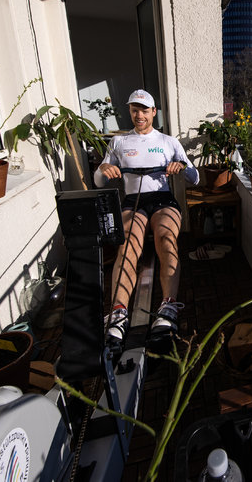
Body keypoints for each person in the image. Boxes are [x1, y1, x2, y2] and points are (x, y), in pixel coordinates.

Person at [93, 89, 199, 347]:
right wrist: (105, 169)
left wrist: (181, 167)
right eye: (134, 110)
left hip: (163, 200)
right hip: (133, 201)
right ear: (130, 112)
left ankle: (168, 307)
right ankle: (118, 312)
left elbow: (194, 176)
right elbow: (98, 181)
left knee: (165, 237)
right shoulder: (118, 142)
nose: (139, 115)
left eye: (144, 110)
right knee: (128, 244)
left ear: (153, 112)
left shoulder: (167, 141)